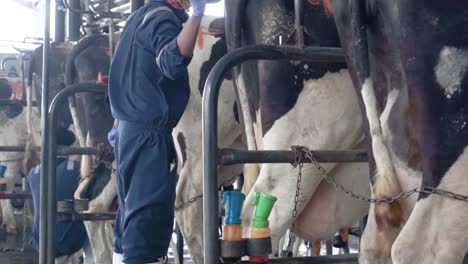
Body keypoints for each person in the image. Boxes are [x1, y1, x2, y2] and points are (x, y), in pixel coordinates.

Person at [108, 0, 206, 263]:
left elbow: (123, 72)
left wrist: (118, 121)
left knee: (128, 220)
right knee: (146, 225)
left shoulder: (137, 18)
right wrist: (197, 16)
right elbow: (171, 61)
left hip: (127, 130)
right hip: (149, 135)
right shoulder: (161, 18)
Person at [28, 128, 94, 264]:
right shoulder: (76, 169)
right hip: (68, 241)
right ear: (68, 148)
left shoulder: (33, 172)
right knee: (94, 223)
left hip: (40, 240)